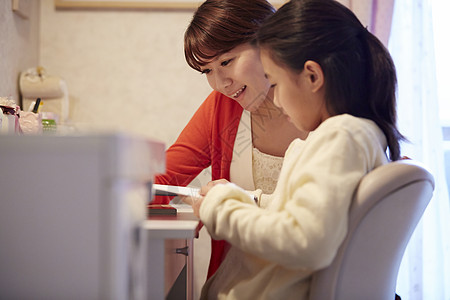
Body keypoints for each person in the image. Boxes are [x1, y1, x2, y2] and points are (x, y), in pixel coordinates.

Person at [192, 0, 405, 298]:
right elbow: (296, 210)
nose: (275, 101)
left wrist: (220, 207)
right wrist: (236, 196)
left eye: (276, 84)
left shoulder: (340, 138)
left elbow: (305, 241)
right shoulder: (340, 138)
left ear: (312, 76)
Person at [153, 0, 307, 281]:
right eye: (207, 71)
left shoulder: (323, 105)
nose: (221, 83)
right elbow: (167, 174)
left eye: (226, 61)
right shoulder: (222, 108)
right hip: (241, 281)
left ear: (268, 42)